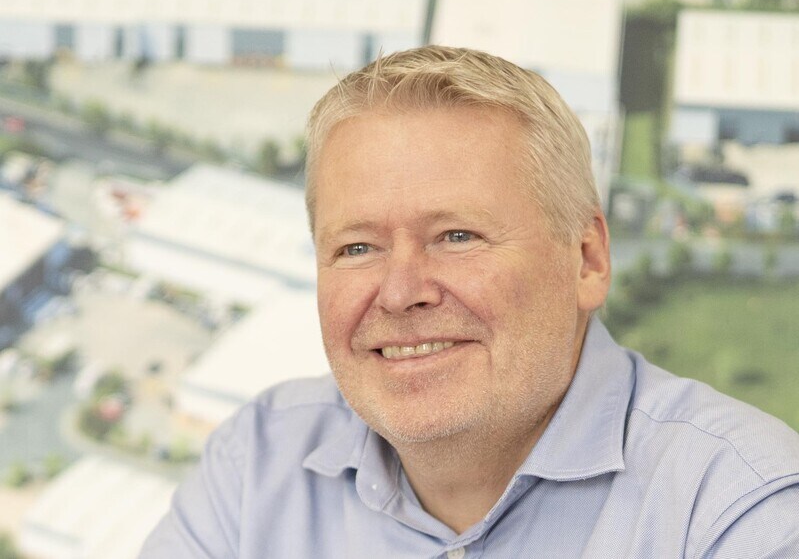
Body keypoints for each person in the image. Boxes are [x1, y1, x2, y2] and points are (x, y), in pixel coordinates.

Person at [140, 46, 799, 558]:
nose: (401, 293)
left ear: (587, 260)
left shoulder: (743, 513)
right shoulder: (254, 466)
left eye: (457, 237)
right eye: (357, 248)